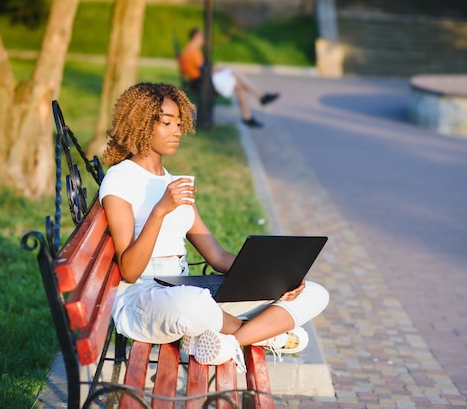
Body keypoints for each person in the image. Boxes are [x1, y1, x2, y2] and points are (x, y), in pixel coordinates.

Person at [99, 82, 329, 372]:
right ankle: (264, 333)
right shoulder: (120, 180)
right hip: (144, 298)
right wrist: (160, 211)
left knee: (315, 292)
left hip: (184, 286)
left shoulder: (172, 181)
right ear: (142, 123)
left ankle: (231, 342)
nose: (177, 131)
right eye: (167, 123)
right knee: (194, 304)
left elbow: (217, 256)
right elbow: (130, 271)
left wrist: (276, 277)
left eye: (179, 123)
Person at [178, 27, 280, 128]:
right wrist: (220, 69)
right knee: (236, 73)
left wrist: (219, 69)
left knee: (239, 84)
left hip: (202, 81)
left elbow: (206, 69)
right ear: (196, 37)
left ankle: (248, 116)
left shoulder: (190, 50)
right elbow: (207, 70)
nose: (204, 39)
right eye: (203, 37)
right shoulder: (192, 52)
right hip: (203, 82)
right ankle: (261, 98)